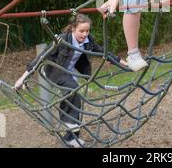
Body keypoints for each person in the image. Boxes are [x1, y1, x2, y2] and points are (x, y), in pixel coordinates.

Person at [14, 13, 126, 148]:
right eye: (81, 31)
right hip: (54, 71)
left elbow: (102, 51)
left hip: (70, 71)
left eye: (87, 31)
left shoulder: (87, 40)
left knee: (74, 97)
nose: (85, 34)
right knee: (72, 91)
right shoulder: (62, 40)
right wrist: (23, 77)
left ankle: (71, 134)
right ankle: (70, 133)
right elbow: (41, 58)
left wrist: (120, 61)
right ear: (73, 29)